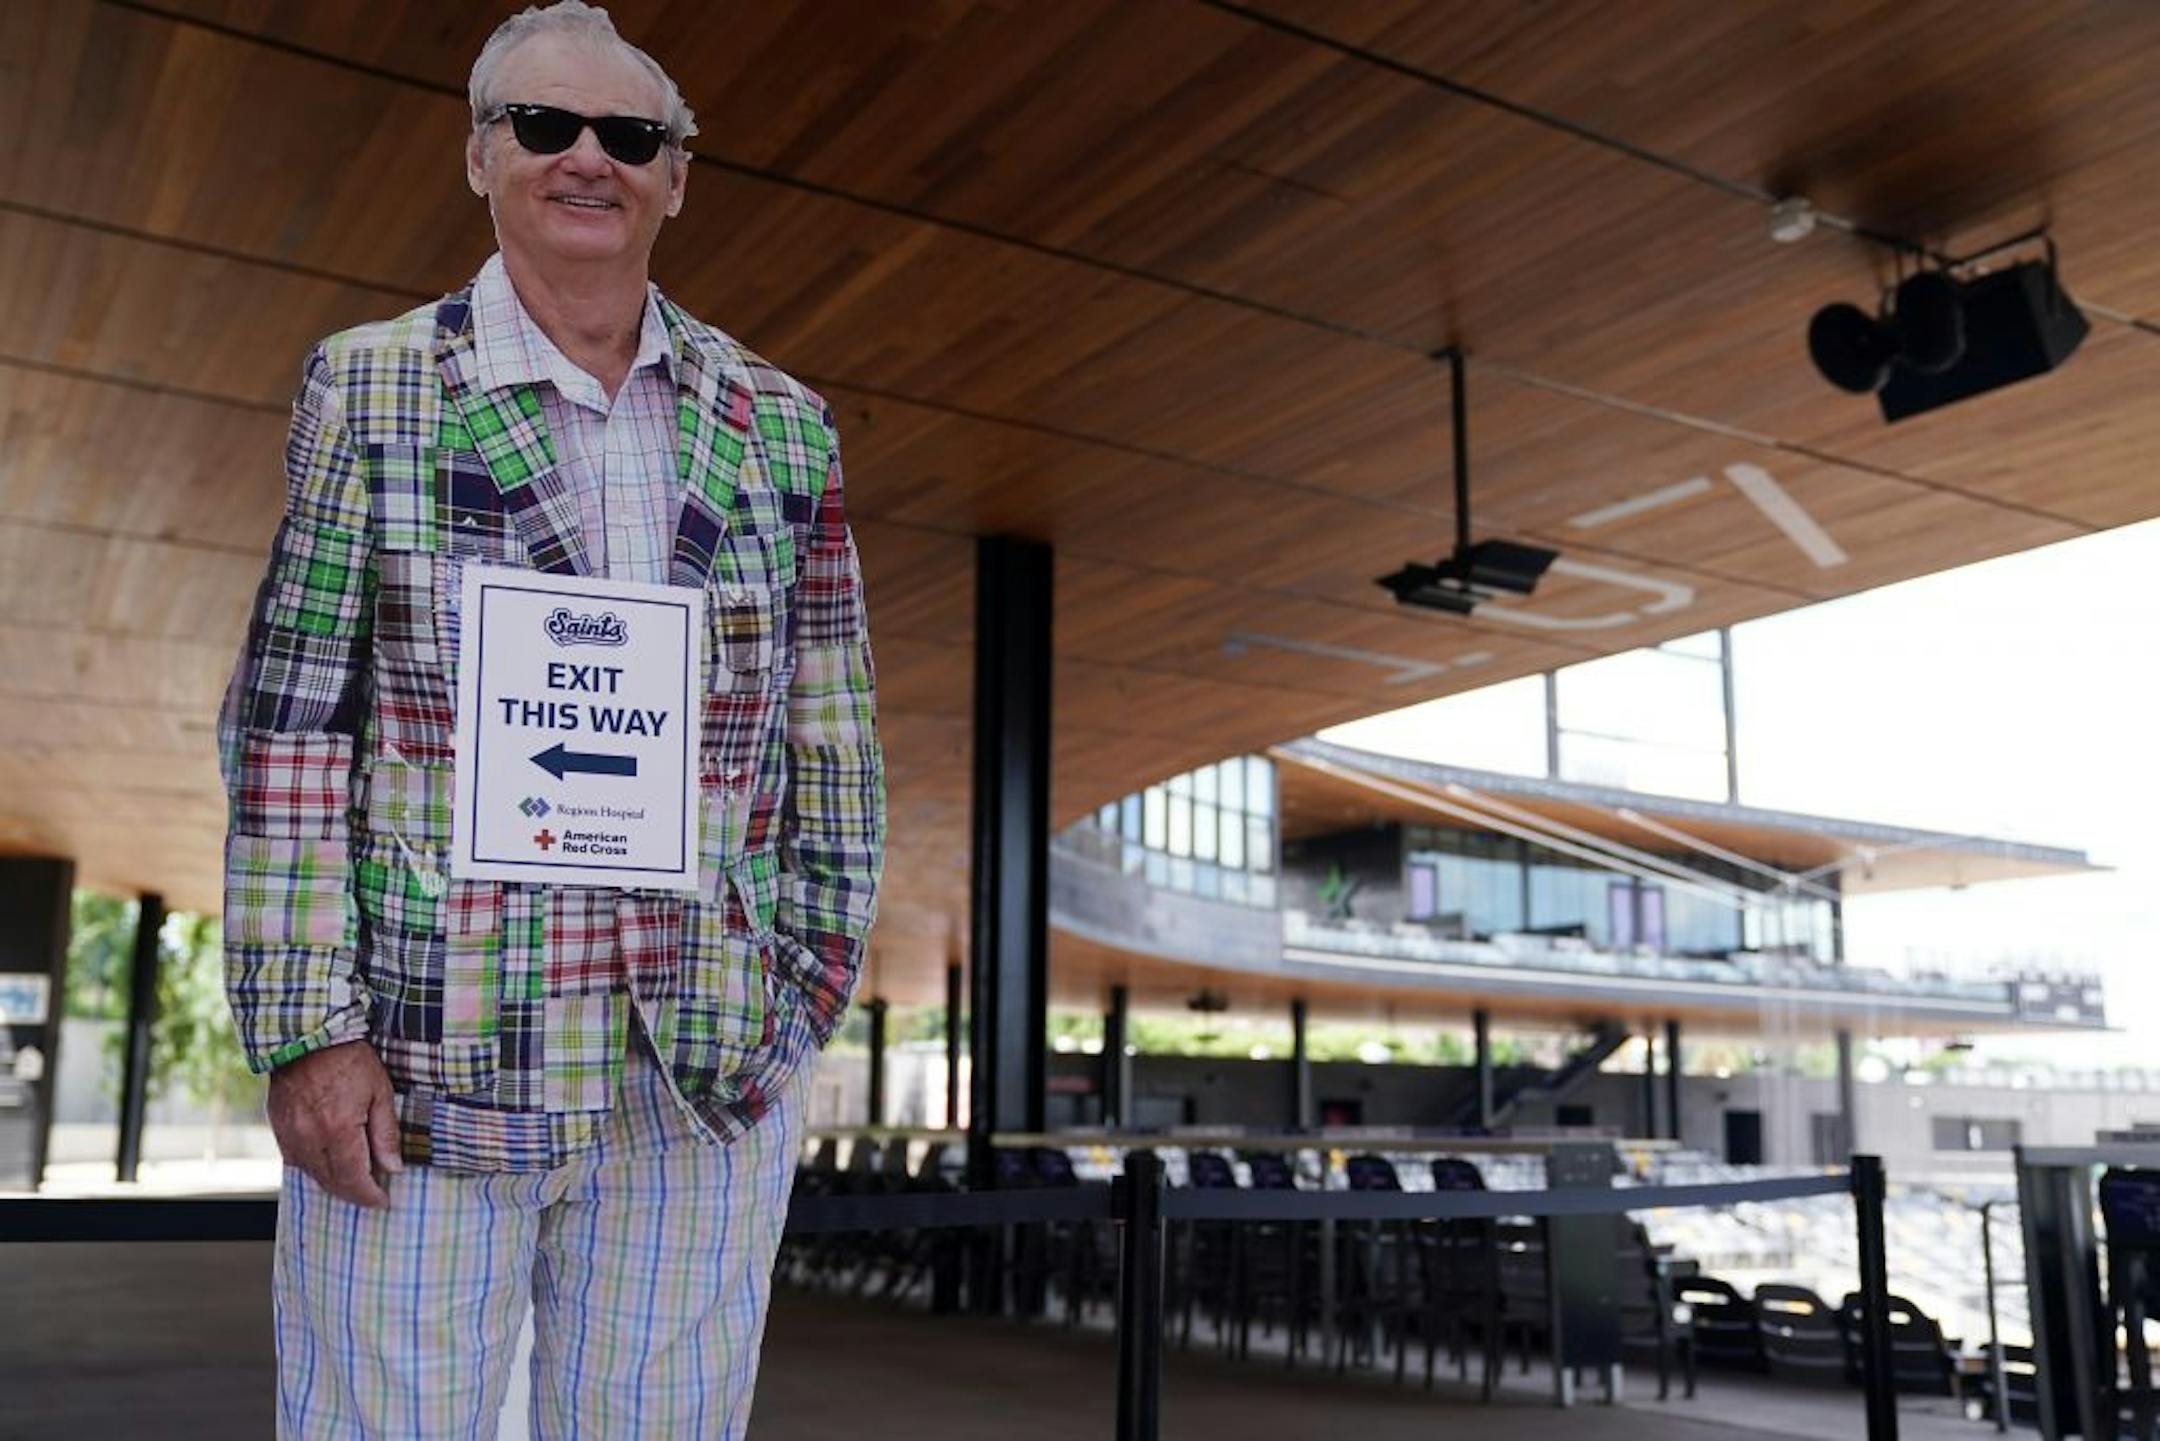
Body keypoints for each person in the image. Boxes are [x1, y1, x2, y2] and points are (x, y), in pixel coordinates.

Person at [215, 3, 884, 1434]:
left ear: (677, 176)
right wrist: (303, 1031)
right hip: (427, 1070)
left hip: (697, 1081)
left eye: (629, 135)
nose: (590, 157)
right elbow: (289, 723)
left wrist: (803, 998)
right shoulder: (376, 386)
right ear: (480, 156)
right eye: (545, 125)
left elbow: (831, 734)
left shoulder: (782, 422)